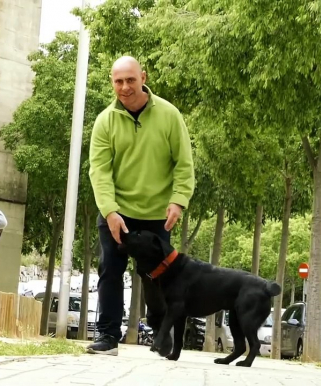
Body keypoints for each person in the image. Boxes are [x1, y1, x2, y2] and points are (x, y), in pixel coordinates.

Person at [87, 56, 195, 355]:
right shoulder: (105, 121)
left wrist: (178, 201)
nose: (124, 87)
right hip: (116, 211)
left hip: (157, 214)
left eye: (130, 80)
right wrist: (109, 210)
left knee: (157, 277)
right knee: (110, 268)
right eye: (118, 81)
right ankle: (108, 336)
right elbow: (99, 170)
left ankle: (161, 335)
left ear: (143, 77)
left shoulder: (170, 115)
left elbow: (184, 164)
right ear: (112, 82)